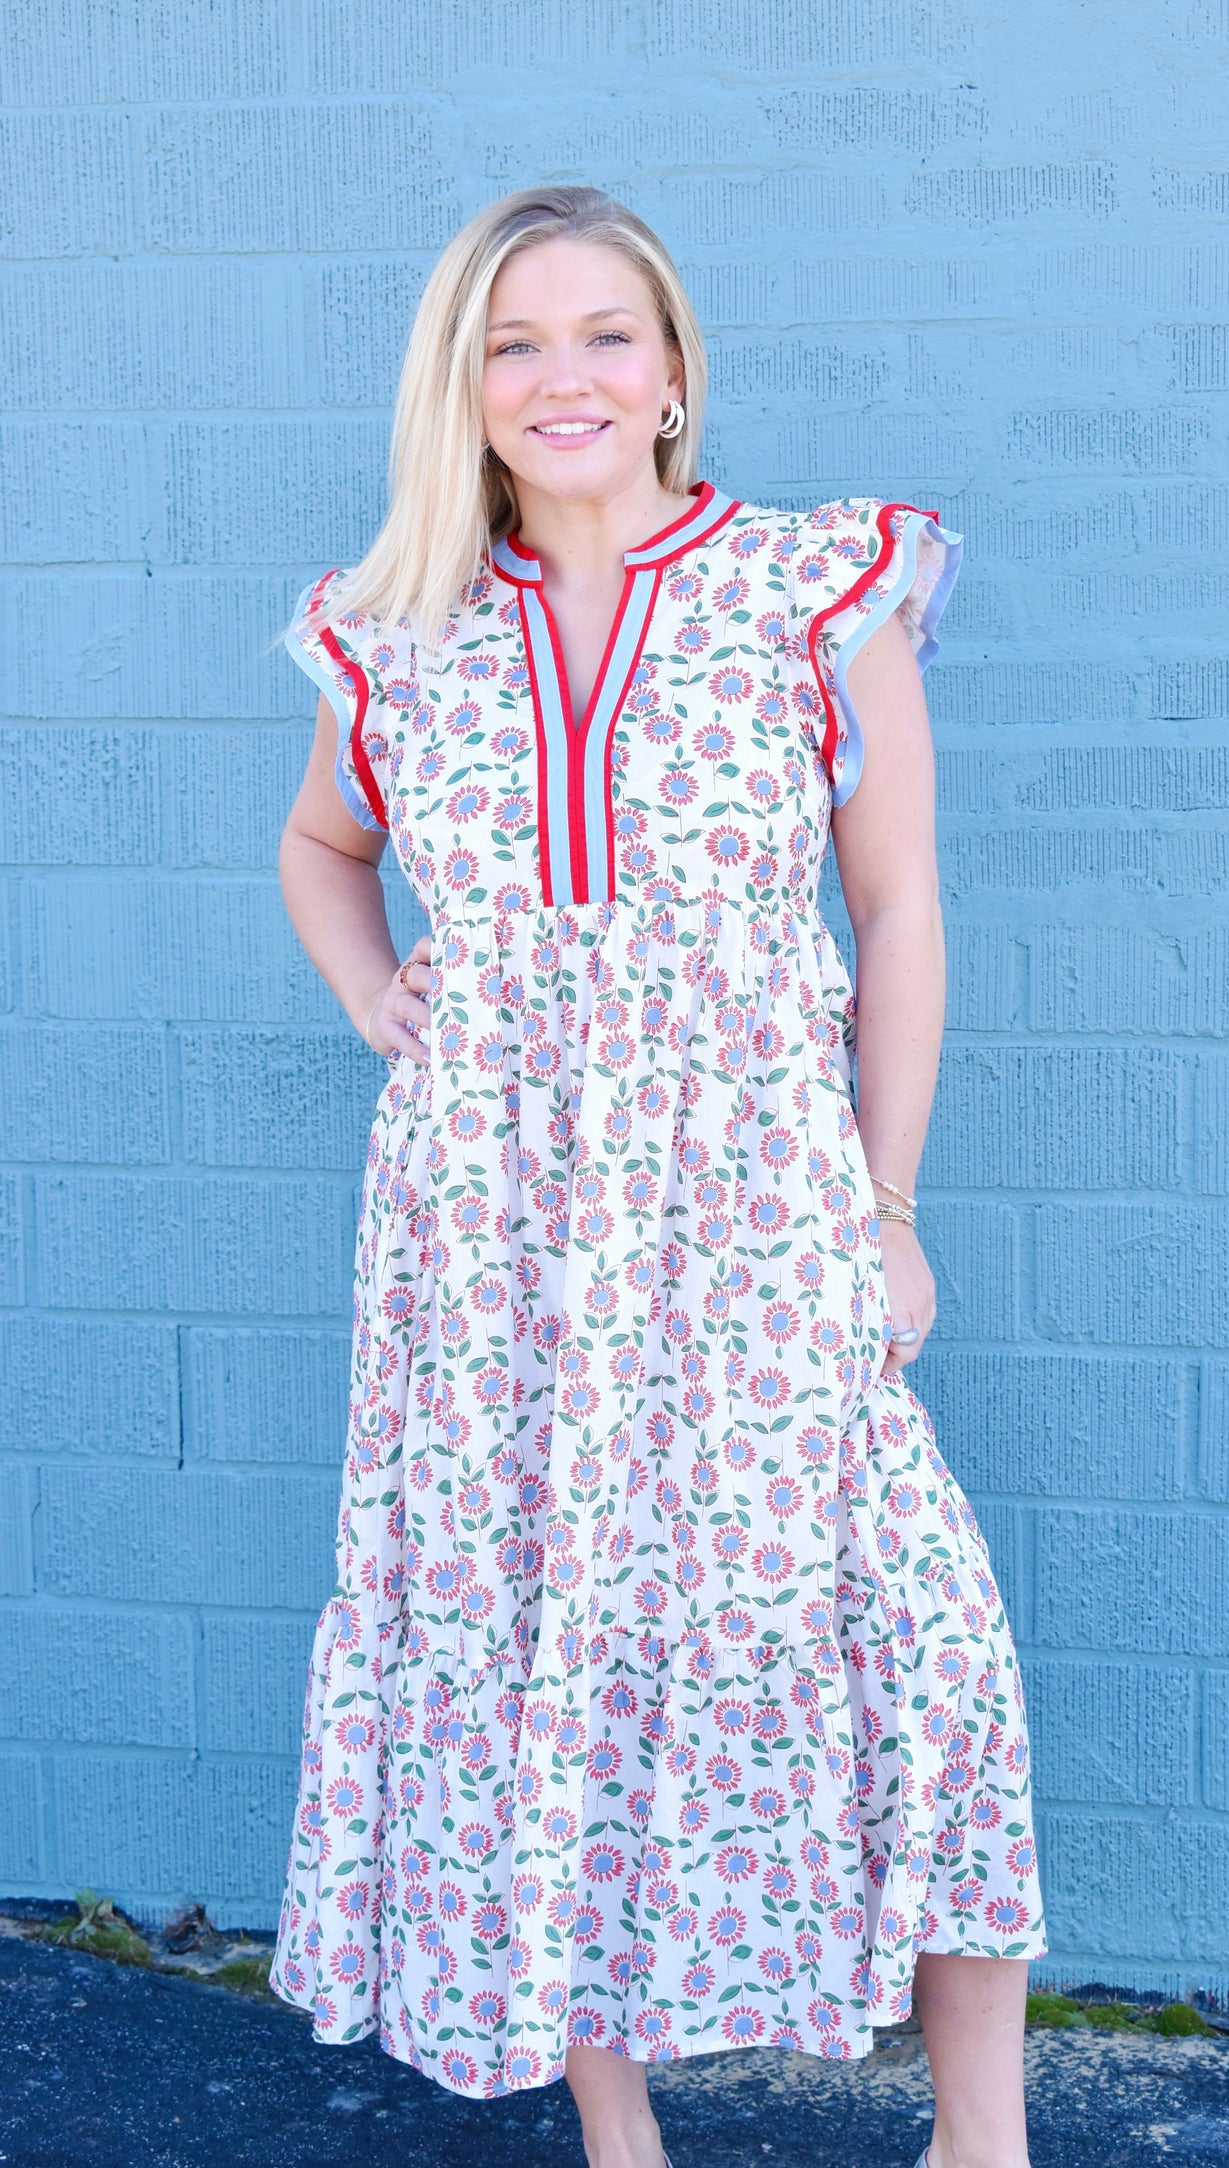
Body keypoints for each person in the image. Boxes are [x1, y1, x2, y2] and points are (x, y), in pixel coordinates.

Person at [268, 184, 1045, 2168]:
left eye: (606, 334)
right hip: (489, 1240)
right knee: (547, 1648)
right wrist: (379, 996)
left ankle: (984, 2136)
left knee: (922, 1632)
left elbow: (903, 916)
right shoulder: (399, 629)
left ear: (676, 371)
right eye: (516, 343)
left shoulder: (812, 588)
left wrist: (885, 1210)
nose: (564, 377)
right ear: (467, 387)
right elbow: (320, 850)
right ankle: (619, 2135)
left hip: (756, 1216)